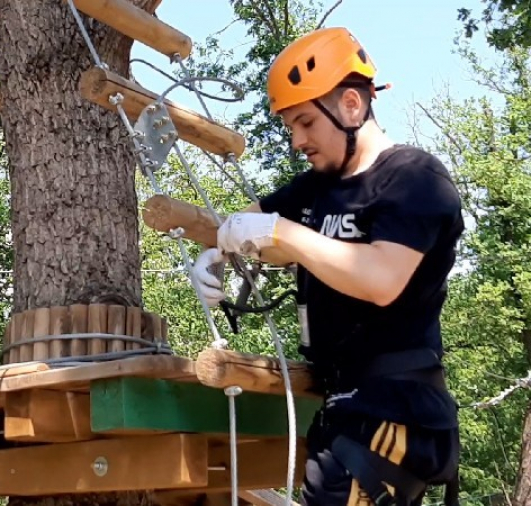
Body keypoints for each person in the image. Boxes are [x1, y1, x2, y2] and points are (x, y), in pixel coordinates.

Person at [191, 27, 463, 505]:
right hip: (344, 406)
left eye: (305, 124)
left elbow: (381, 278)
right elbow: (250, 226)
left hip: (393, 410)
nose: (297, 141)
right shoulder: (317, 188)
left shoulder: (413, 179)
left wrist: (285, 235)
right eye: (290, 128)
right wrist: (218, 255)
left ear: (352, 106)